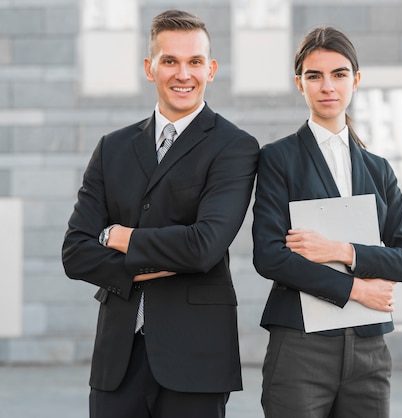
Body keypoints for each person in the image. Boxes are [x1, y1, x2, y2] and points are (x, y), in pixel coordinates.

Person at [62, 9, 259, 418]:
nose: (182, 73)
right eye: (169, 61)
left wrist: (120, 238)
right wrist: (148, 265)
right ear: (150, 68)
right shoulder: (112, 148)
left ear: (211, 69)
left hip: (196, 358)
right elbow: (75, 252)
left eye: (194, 62)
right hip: (117, 358)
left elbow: (203, 247)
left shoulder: (235, 147)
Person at [252, 26, 402, 418]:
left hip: (369, 352)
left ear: (356, 80)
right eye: (314, 76)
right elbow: (269, 257)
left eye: (339, 74)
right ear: (300, 84)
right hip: (300, 346)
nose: (327, 86)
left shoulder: (378, 169)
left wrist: (341, 251)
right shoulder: (278, 159)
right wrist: (357, 290)